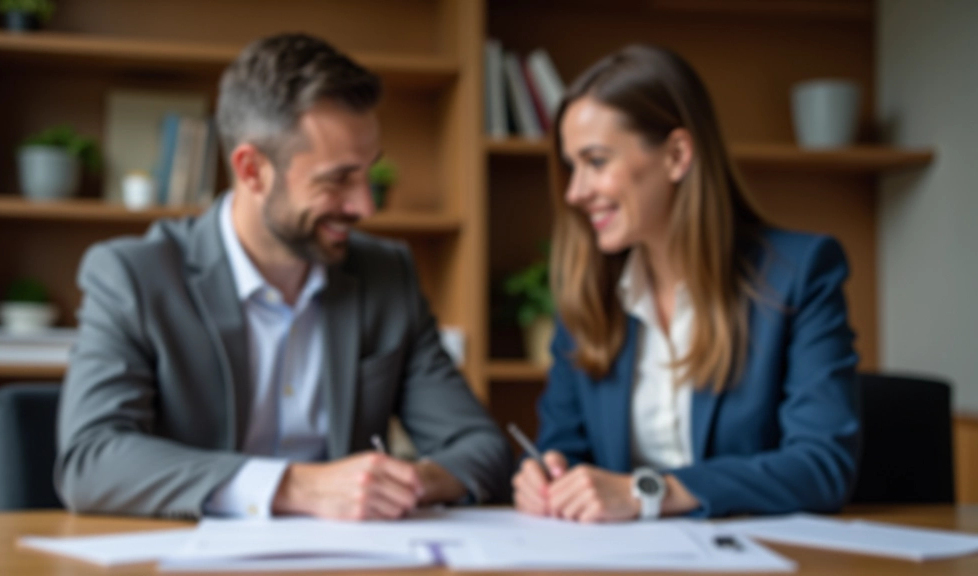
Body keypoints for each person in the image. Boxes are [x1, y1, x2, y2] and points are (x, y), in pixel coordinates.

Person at [55, 33, 514, 520]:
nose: (365, 206)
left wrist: (404, 484)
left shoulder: (387, 275)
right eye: (337, 179)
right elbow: (91, 459)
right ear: (252, 170)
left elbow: (479, 446)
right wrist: (295, 487)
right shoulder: (134, 277)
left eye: (369, 175)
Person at [512, 45, 861, 521]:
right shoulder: (589, 294)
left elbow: (822, 467)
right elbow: (565, 448)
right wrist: (547, 478)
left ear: (677, 155)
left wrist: (649, 491)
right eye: (572, 167)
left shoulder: (799, 274)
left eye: (595, 162)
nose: (575, 192)